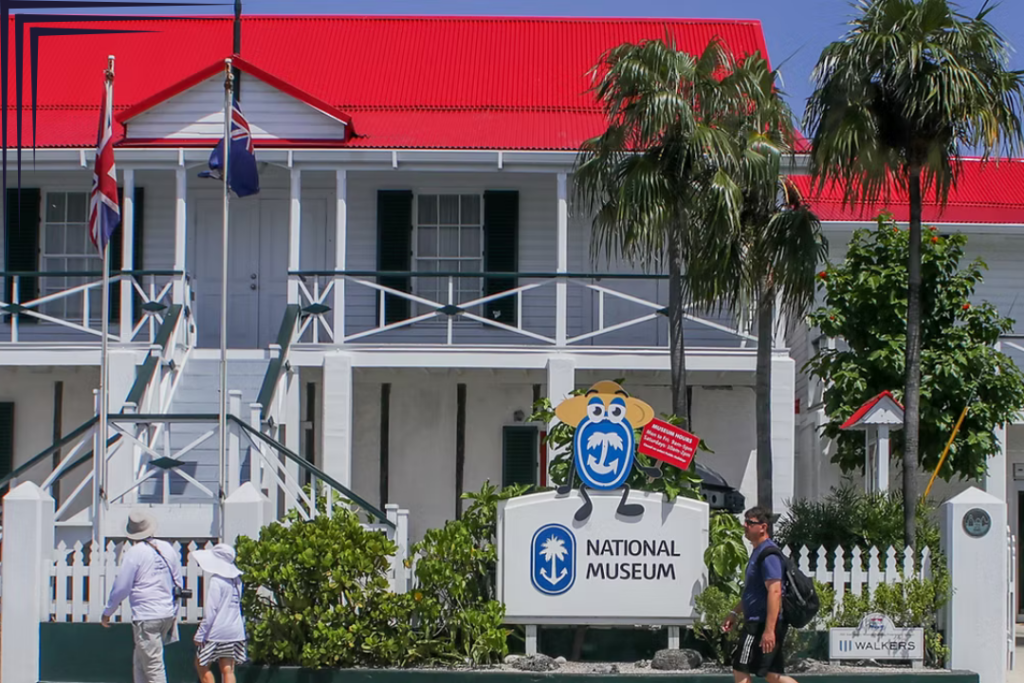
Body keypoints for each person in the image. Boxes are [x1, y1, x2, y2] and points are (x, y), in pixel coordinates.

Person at [101, 510, 184, 683]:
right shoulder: (167, 548)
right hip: (166, 613)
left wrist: (109, 610)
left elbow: (122, 587)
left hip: (147, 616)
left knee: (153, 666)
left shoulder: (134, 553)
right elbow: (178, 581)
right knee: (140, 661)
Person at [722, 506, 798, 683]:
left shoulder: (768, 554)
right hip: (760, 621)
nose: (745, 526)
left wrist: (769, 631)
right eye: (745, 522)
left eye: (750, 523)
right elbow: (753, 592)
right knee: (773, 675)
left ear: (763, 527)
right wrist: (734, 612)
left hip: (760, 623)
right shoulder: (758, 552)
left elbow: (775, 590)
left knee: (740, 668)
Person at [192, 543, 247, 683]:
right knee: (227, 669)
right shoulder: (237, 581)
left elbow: (211, 611)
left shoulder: (217, 581)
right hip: (235, 630)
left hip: (217, 631)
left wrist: (200, 634)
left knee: (201, 665)